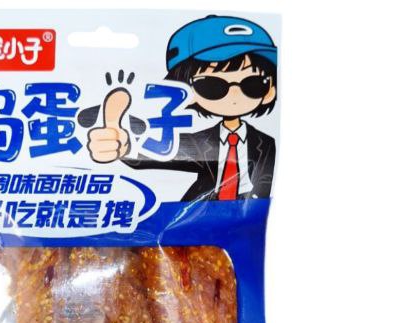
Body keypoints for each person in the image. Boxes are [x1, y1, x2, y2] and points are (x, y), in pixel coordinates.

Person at [87, 15, 278, 201]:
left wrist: (253, 211)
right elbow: (165, 150)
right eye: (212, 86)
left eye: (253, 84)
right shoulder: (203, 141)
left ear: (270, 90)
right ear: (185, 90)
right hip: (197, 213)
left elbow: (264, 183)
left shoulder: (266, 143)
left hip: (246, 216)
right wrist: (125, 145)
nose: (234, 95)